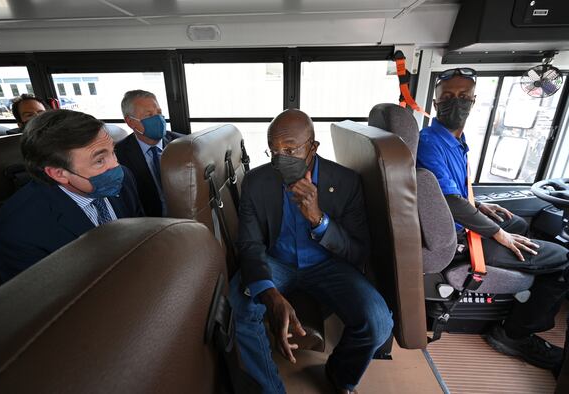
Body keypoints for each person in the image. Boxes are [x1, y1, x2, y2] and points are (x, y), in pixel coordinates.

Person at [230, 109, 393, 394]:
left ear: (313, 147)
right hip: (276, 261)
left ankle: (340, 375)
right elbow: (250, 245)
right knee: (239, 307)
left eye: (290, 149)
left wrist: (319, 220)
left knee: (378, 323)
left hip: (328, 265)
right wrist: (270, 294)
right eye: (274, 151)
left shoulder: (346, 182)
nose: (281, 158)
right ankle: (269, 388)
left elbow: (358, 252)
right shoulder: (256, 182)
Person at [416, 68, 569, 370]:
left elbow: (456, 192)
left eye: (463, 97)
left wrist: (482, 208)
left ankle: (513, 304)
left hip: (458, 223)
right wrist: (499, 235)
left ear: (474, 101)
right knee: (564, 258)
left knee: (519, 224)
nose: (455, 103)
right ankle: (515, 334)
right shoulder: (430, 142)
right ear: (436, 104)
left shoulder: (454, 140)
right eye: (447, 98)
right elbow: (448, 201)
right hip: (456, 237)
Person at [0, 109, 144, 281]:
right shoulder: (15, 233)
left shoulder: (125, 178)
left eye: (113, 152)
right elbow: (45, 302)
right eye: (99, 161)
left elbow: (137, 230)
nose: (116, 165)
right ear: (58, 174)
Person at [115, 90, 182, 217]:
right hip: (149, 224)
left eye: (159, 113)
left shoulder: (184, 144)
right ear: (130, 122)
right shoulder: (118, 155)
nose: (158, 118)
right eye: (149, 115)